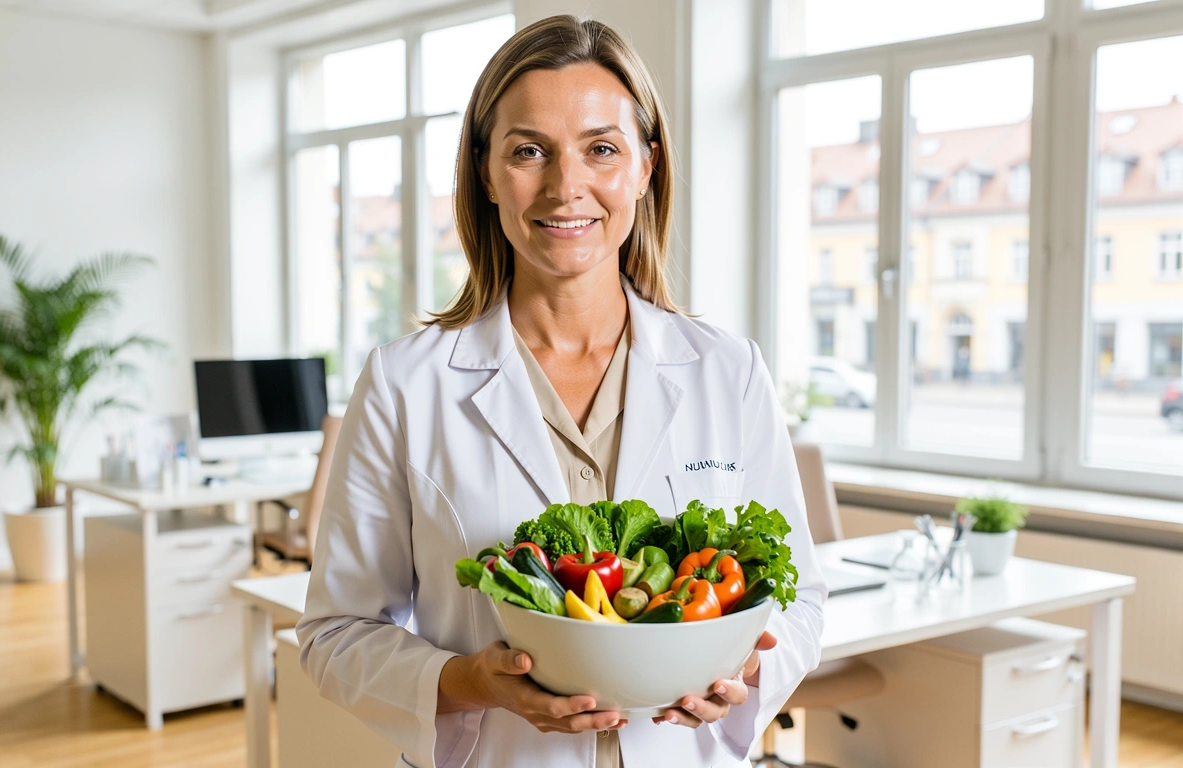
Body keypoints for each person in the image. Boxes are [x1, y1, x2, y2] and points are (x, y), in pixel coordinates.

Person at [297, 15, 826, 768]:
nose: (564, 186)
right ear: (485, 172)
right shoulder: (404, 384)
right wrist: (465, 681)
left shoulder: (726, 372)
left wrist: (744, 669)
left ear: (646, 167)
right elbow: (335, 634)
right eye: (528, 151)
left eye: (601, 149)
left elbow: (798, 599)